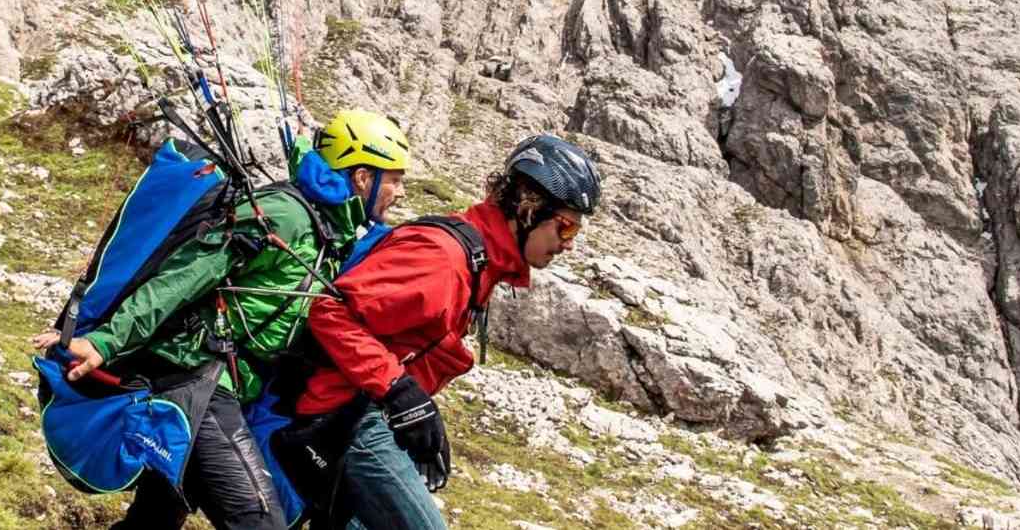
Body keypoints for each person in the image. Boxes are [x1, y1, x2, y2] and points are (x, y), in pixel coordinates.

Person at [31, 110, 411, 530]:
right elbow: (184, 276)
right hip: (196, 381)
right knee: (258, 522)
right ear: (362, 177)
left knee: (155, 519)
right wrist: (105, 341)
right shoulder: (284, 215)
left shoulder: (330, 232)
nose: (398, 191)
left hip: (226, 388)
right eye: (394, 179)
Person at [286, 133, 601, 529]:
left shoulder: (480, 263)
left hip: (368, 415)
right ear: (527, 208)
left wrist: (414, 415)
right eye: (566, 228)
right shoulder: (444, 259)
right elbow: (332, 312)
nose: (568, 245)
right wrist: (399, 392)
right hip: (346, 417)